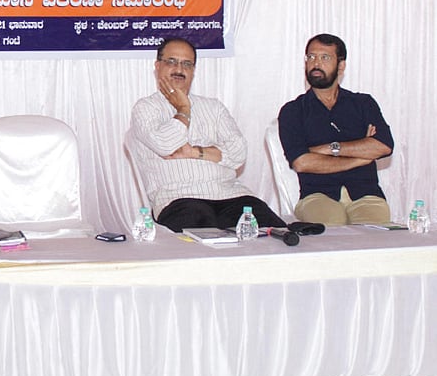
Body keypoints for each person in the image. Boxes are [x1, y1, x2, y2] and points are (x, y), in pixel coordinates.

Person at [125, 37, 285, 232]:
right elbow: (165, 144)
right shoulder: (145, 108)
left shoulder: (213, 107)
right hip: (179, 199)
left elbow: (238, 153)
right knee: (204, 242)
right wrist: (184, 109)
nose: (179, 69)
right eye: (171, 61)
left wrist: (194, 152)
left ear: (193, 71)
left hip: (231, 195)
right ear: (157, 66)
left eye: (186, 64)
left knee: (277, 236)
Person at [277, 33, 393, 225]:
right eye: (311, 57)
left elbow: (383, 146)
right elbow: (302, 162)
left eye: (325, 57)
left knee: (375, 238)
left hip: (366, 194)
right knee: (330, 232)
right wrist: (361, 156)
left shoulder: (363, 103)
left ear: (341, 66)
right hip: (317, 196)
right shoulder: (293, 111)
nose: (316, 63)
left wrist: (329, 149)